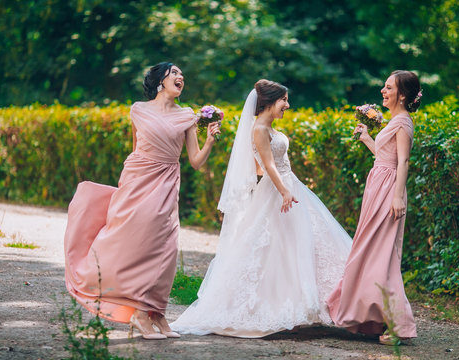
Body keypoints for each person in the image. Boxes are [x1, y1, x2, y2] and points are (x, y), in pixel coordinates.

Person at [170, 79, 352, 338]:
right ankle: (282, 307)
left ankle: (309, 305)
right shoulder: (259, 128)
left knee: (298, 245)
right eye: (283, 100)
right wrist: (283, 190)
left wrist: (288, 185)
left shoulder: (269, 128)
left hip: (289, 185)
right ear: (268, 102)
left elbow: (260, 165)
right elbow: (267, 166)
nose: (287, 105)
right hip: (279, 190)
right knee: (274, 248)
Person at [64, 62, 220, 340]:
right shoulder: (138, 110)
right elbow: (136, 149)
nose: (181, 76)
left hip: (168, 181)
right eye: (175, 73)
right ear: (161, 80)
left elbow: (195, 162)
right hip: (139, 179)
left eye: (182, 74)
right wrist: (131, 182)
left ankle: (157, 313)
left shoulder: (187, 116)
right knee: (141, 243)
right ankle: (137, 313)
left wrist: (209, 140)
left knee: (167, 248)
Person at [326, 70, 422, 345]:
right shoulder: (394, 120)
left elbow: (402, 162)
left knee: (383, 256)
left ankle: (397, 323)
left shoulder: (403, 123)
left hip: (388, 191)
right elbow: (385, 157)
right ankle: (370, 318)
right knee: (367, 252)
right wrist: (368, 138)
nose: (383, 90)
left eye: (388, 87)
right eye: (384, 86)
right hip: (377, 186)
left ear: (402, 95)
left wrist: (397, 197)